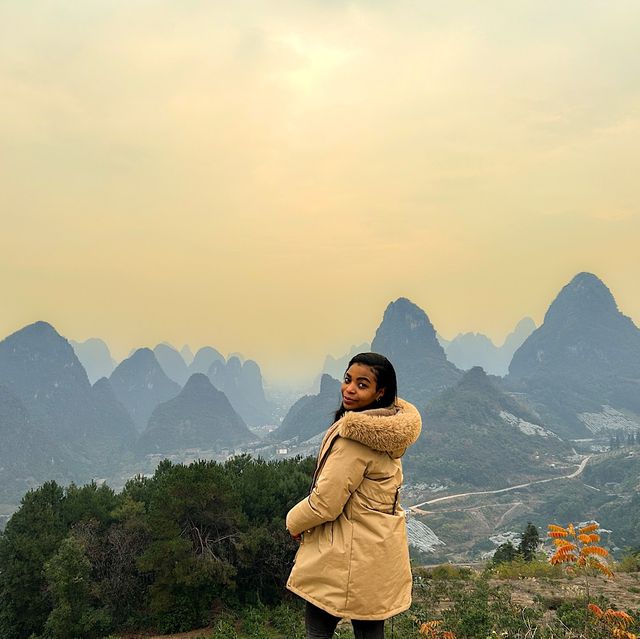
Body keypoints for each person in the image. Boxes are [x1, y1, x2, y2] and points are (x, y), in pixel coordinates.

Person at [286, 352, 422, 639]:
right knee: (370, 630)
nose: (349, 389)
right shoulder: (387, 431)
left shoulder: (354, 440)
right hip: (376, 552)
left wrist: (294, 522)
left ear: (379, 392)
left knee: (318, 630)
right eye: (348, 380)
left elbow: (325, 503)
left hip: (341, 556)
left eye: (362, 385)